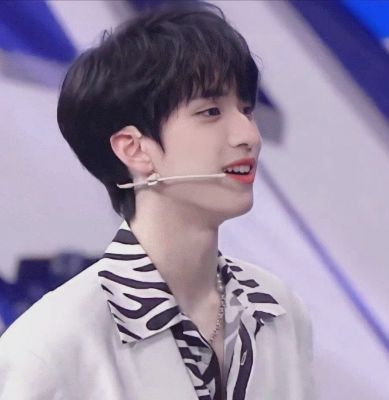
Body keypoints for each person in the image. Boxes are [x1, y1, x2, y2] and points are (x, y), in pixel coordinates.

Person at [0, 3, 314, 399]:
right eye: (211, 111)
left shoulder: (276, 309)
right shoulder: (54, 346)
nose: (248, 135)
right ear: (133, 149)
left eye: (246, 110)